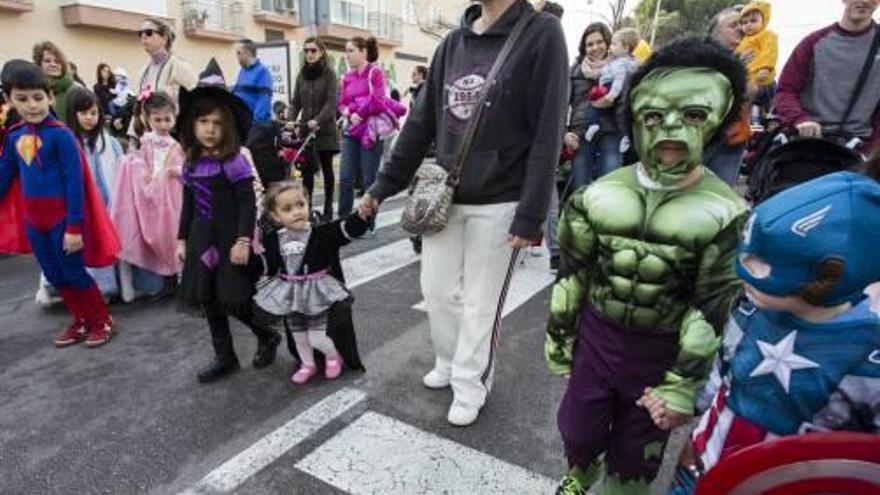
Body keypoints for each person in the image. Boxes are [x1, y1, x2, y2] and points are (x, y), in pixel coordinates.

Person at [546, 38, 748, 495]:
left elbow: (710, 306)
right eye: (655, 116)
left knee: (636, 461)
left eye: (694, 115)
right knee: (578, 431)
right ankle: (580, 472)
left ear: (717, 120)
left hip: (660, 351)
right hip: (598, 336)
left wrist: (682, 385)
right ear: (635, 120)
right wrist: (559, 338)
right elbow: (573, 274)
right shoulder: (596, 196)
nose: (672, 130)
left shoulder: (725, 212)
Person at [360, 0, 569, 426]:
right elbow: (420, 124)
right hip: (448, 193)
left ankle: (472, 381)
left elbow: (548, 131)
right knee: (435, 289)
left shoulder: (542, 33)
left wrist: (530, 214)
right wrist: (382, 187)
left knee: (480, 302)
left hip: (503, 198)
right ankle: (450, 359)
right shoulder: (454, 41)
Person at [665, 171, 880, 494]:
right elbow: (724, 370)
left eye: (763, 262)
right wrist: (686, 402)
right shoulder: (749, 305)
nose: (744, 267)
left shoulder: (868, 356)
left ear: (829, 274)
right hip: (699, 470)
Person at [175, 60, 281, 383]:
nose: (209, 129)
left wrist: (243, 240)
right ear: (192, 125)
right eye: (203, 121)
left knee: (236, 301)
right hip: (201, 240)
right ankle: (225, 357)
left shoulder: (234, 162)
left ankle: (267, 335)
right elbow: (188, 202)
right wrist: (181, 240)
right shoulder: (192, 164)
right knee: (208, 300)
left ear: (228, 128)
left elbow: (247, 201)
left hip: (230, 241)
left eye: (217, 123)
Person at [0, 62, 119, 347]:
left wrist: (74, 226)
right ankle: (80, 320)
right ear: (8, 100)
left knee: (74, 272)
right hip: (34, 221)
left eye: (38, 98)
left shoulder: (61, 135)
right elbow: (4, 178)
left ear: (50, 97)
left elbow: (74, 182)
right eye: (23, 98)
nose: (32, 105)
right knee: (54, 274)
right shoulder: (14, 135)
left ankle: (101, 319)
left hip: (63, 220)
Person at [254, 181, 369, 385]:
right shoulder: (274, 239)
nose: (297, 212)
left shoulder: (320, 232)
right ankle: (308, 364)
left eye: (300, 204)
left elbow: (345, 230)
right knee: (299, 338)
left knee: (316, 338)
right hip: (290, 294)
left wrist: (360, 217)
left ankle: (333, 357)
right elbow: (268, 265)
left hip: (316, 293)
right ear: (275, 216)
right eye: (287, 209)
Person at [776, 0, 880, 156]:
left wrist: (872, 149)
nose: (865, 1)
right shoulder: (813, 42)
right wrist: (800, 119)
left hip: (859, 148)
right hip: (809, 142)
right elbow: (786, 90)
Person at [112, 90, 184, 303]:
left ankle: (178, 281)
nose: (163, 124)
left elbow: (184, 169)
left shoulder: (176, 145)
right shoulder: (146, 143)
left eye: (167, 119)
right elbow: (143, 167)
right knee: (156, 239)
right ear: (147, 119)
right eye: (157, 119)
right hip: (151, 198)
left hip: (172, 200)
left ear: (174, 116)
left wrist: (175, 172)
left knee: (173, 238)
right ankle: (166, 281)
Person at [338, 36, 406, 233]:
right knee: (345, 177)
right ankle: (343, 221)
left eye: (351, 51)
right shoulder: (347, 77)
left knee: (369, 180)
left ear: (363, 52)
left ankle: (368, 222)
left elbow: (378, 101)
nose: (347, 55)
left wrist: (359, 112)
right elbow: (341, 103)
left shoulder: (374, 72)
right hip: (351, 131)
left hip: (370, 133)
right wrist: (349, 114)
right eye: (346, 51)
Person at [66, 87, 124, 298]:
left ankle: (107, 288)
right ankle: (93, 290)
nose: (89, 118)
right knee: (89, 247)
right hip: (84, 207)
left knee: (106, 245)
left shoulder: (109, 142)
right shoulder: (70, 142)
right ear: (73, 114)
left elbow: (120, 169)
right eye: (83, 113)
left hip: (108, 204)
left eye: (93, 113)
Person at [289, 36, 339, 221]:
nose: (309, 54)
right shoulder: (301, 74)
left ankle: (328, 208)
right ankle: (307, 209)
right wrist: (291, 119)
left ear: (321, 52)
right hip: (306, 132)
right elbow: (296, 102)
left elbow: (331, 103)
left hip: (324, 130)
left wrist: (317, 120)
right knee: (306, 172)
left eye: (313, 51)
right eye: (307, 51)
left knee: (327, 170)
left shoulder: (329, 74)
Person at [703, 6, 751, 186]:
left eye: (743, 24)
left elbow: (760, 96)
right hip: (701, 139)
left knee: (719, 199)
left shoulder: (753, 57)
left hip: (733, 141)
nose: (741, 28)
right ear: (714, 31)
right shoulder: (695, 57)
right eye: (734, 25)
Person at [565, 22, 613, 191]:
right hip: (581, 135)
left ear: (608, 42)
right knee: (579, 188)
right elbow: (561, 105)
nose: (595, 48)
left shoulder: (619, 68)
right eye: (589, 44)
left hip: (611, 133)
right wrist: (566, 133)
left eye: (599, 42)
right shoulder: (574, 72)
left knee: (609, 187)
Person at [583, 28, 640, 146]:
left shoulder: (620, 64)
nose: (611, 47)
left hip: (610, 87)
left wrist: (612, 95)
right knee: (620, 114)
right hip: (610, 88)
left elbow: (619, 79)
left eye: (614, 44)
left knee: (593, 107)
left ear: (626, 48)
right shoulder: (625, 62)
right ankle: (625, 135)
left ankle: (593, 124)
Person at [735, 1, 778, 124]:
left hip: (763, 79)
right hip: (749, 80)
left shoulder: (767, 35)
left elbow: (770, 52)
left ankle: (765, 122)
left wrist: (765, 68)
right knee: (748, 106)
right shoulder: (743, 41)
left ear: (763, 21)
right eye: (744, 22)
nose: (748, 25)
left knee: (761, 109)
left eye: (753, 21)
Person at [32, 41, 78, 124]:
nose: (53, 64)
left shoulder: (75, 90)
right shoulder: (32, 90)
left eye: (57, 61)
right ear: (39, 64)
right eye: (47, 61)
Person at [232, 39, 273, 124]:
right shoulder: (242, 71)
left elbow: (264, 100)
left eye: (238, 53)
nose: (237, 56)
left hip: (254, 126)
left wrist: (255, 123)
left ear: (247, 53)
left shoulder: (262, 71)